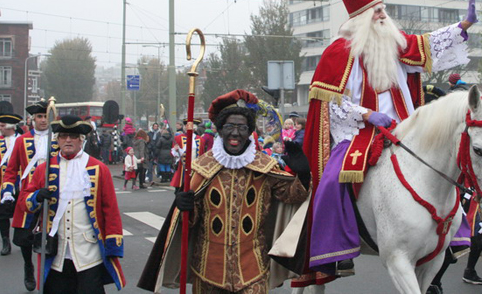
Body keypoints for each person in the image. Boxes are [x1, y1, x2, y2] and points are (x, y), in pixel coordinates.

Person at [299, 0, 476, 285]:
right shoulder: (340, 52)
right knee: (332, 180)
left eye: (383, 10)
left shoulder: (398, 45)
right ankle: (329, 251)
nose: (383, 15)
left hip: (404, 128)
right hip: (361, 130)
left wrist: (462, 25)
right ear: (362, 18)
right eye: (376, 12)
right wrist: (366, 114)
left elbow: (430, 44)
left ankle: (452, 233)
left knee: (451, 165)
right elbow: (331, 106)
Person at [137, 89, 310, 293]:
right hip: (208, 271)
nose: (235, 133)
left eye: (242, 127)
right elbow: (190, 222)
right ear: (219, 129)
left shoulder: (265, 166)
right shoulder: (202, 167)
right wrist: (184, 206)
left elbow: (293, 196)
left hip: (253, 270)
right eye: (229, 126)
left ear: (250, 131)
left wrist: (303, 175)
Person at [21, 115, 125, 293]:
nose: (68, 140)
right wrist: (37, 197)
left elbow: (110, 209)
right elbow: (24, 201)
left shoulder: (99, 168)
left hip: (88, 252)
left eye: (73, 136)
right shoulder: (44, 169)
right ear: (58, 140)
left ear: (81, 140)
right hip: (56, 253)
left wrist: (113, 243)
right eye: (63, 136)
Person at [0, 100, 53, 291]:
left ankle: (50, 273)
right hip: (28, 194)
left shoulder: (57, 139)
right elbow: (11, 169)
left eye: (46, 116)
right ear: (33, 119)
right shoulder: (21, 140)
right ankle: (28, 266)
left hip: (52, 195)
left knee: (52, 235)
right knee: (25, 238)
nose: (43, 120)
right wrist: (7, 190)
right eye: (39, 116)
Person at [0, 110, 23, 256]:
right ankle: (6, 242)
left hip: (21, 185)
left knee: (23, 214)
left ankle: (22, 240)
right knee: (2, 215)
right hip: (2, 186)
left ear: (10, 126)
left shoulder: (23, 140)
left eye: (2, 126)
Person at [170, 118, 207, 191]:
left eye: (190, 126)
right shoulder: (178, 138)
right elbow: (173, 154)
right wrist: (175, 150)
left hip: (195, 168)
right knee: (180, 189)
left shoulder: (201, 140)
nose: (188, 127)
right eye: (186, 125)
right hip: (182, 168)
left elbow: (202, 154)